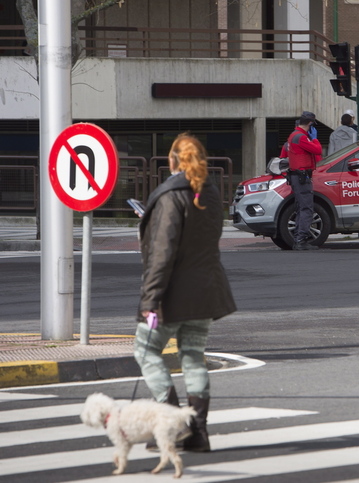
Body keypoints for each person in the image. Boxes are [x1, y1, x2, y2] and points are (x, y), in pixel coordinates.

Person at [134, 133, 237, 453]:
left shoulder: (169, 196)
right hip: (206, 292)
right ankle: (198, 433)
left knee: (145, 350)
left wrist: (149, 300)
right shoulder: (208, 193)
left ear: (172, 161)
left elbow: (162, 255)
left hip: (172, 295)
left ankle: (173, 425)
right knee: (193, 357)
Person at [282, 115, 322, 250]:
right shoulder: (301, 137)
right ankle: (301, 239)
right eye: (312, 126)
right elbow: (317, 150)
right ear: (309, 124)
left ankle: (298, 239)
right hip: (302, 177)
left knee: (301, 208)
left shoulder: (294, 135)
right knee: (306, 208)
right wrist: (315, 138)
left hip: (297, 176)